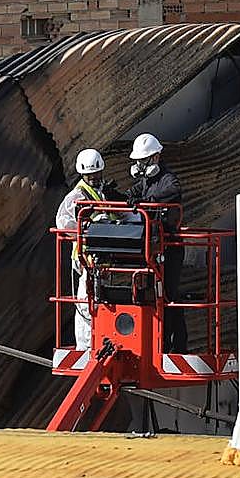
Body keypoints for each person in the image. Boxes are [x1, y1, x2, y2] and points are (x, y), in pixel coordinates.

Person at [54, 148, 122, 349]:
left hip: (101, 257)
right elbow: (62, 222)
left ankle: (99, 340)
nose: (94, 177)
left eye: (96, 174)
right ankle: (85, 347)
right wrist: (86, 229)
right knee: (85, 303)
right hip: (85, 257)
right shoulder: (76, 195)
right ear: (83, 174)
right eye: (90, 175)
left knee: (99, 301)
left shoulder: (100, 193)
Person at [127, 133, 187, 353]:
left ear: (156, 157)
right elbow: (131, 195)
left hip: (170, 247)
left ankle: (178, 345)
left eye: (144, 161)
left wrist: (148, 201)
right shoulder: (145, 181)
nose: (140, 165)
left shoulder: (167, 179)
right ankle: (156, 342)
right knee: (150, 294)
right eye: (138, 162)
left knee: (170, 295)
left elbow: (174, 191)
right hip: (152, 247)